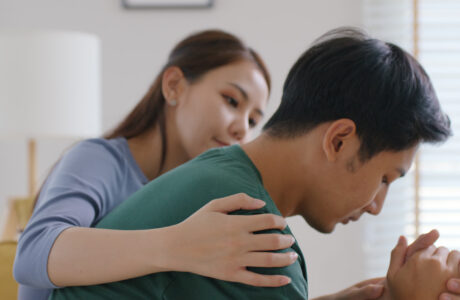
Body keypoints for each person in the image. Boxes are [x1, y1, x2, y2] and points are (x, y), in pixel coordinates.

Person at [49, 27, 460, 300]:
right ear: (339, 140)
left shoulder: (216, 175)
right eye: (386, 178)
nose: (377, 205)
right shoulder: (249, 227)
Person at [13, 30, 301, 300]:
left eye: (253, 121)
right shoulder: (99, 159)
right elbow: (33, 252)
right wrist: (178, 245)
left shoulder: (197, 198)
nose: (242, 129)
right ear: (174, 86)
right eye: (231, 100)